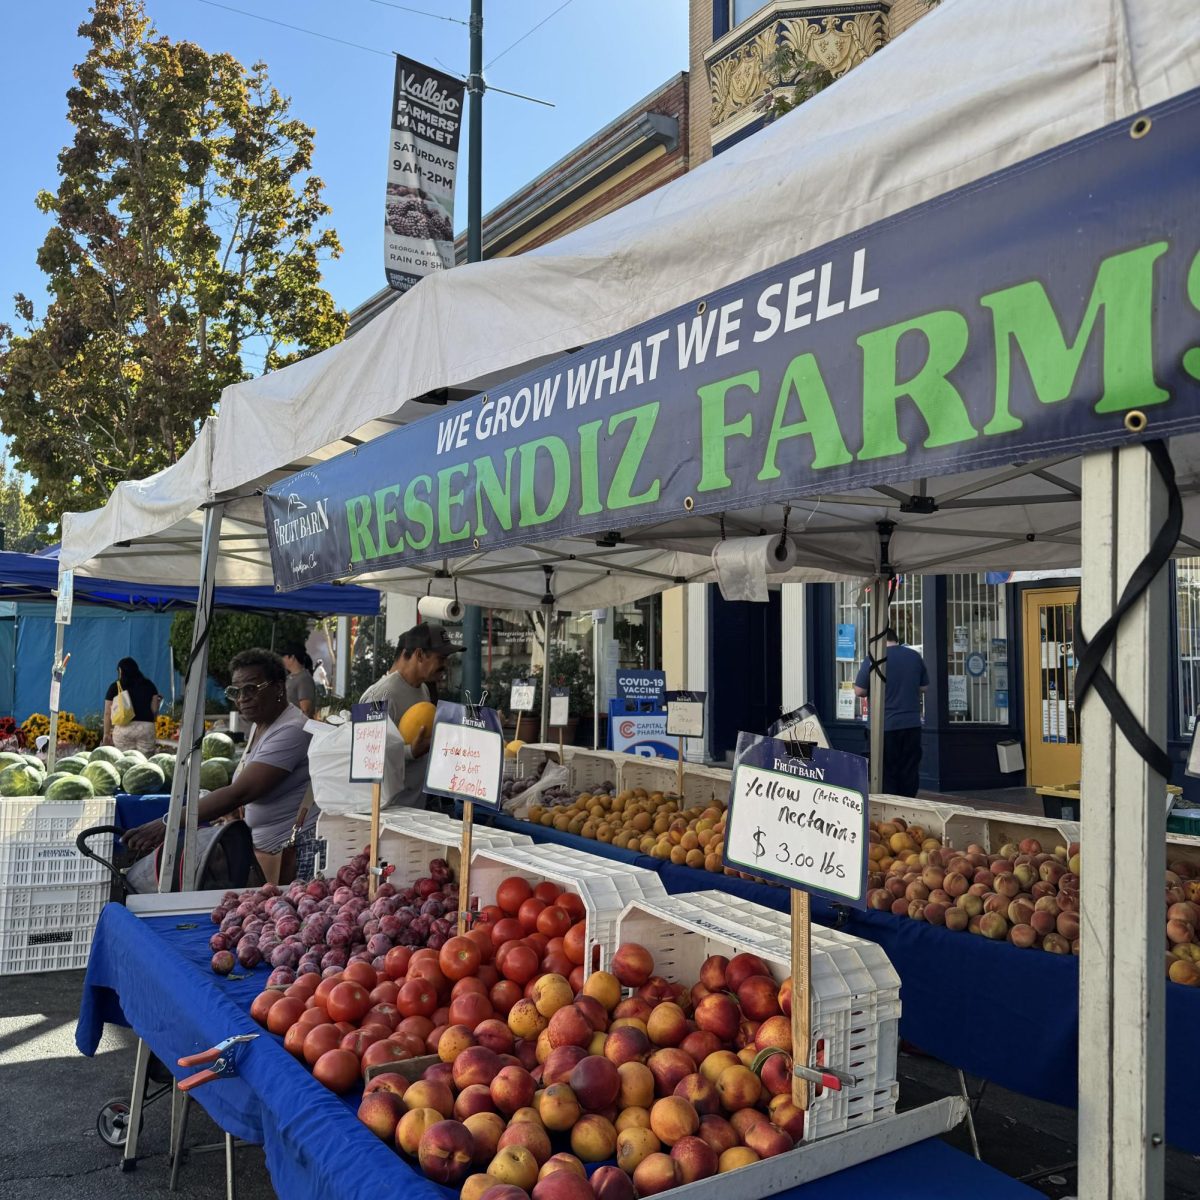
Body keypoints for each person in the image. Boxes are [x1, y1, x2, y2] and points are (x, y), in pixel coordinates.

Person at [125, 648, 320, 883]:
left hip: (293, 859)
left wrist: (170, 822)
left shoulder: (292, 729)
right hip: (265, 854)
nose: (242, 699)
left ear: (278, 687)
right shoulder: (262, 725)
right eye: (235, 692)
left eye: (251, 689)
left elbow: (240, 792)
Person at [359, 623, 460, 809]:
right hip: (387, 812)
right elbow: (363, 757)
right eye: (441, 658)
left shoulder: (423, 689)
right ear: (420, 655)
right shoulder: (377, 696)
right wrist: (410, 752)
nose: (445, 665)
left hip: (417, 806)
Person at [853, 628, 929, 797]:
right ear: (896, 639)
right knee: (909, 771)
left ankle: (890, 811)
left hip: (883, 726)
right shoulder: (914, 656)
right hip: (911, 725)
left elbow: (859, 691)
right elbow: (924, 687)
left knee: (885, 773)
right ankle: (907, 808)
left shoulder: (874, 659)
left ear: (876, 641)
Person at [103, 657, 162, 755]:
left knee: (125, 761)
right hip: (146, 729)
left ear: (120, 671)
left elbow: (107, 713)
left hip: (124, 729)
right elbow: (154, 710)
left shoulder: (115, 687)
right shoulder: (150, 685)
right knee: (145, 762)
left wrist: (106, 734)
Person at [282, 645, 317, 717]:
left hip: (295, 725)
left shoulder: (304, 679)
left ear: (292, 657)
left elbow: (306, 710)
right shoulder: (290, 677)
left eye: (284, 656)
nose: (282, 659)